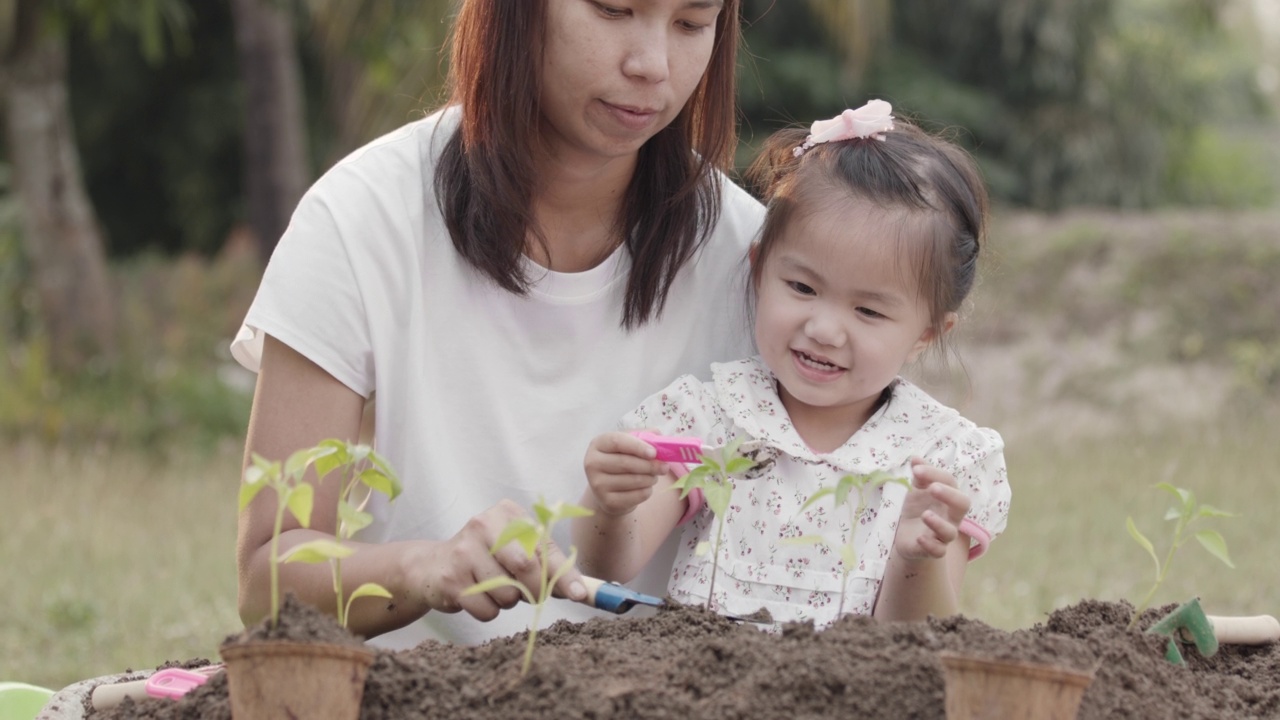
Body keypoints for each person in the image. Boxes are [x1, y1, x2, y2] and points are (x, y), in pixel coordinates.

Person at [229, 0, 763, 649]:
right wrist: (422, 567)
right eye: (614, 9)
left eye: (691, 23)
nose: (652, 65)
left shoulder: (756, 265)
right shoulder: (361, 219)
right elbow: (265, 584)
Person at [573, 100, 1011, 628]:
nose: (824, 329)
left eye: (868, 310)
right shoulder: (711, 419)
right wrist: (611, 505)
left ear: (926, 333)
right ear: (759, 271)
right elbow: (610, 565)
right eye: (802, 287)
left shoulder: (940, 464)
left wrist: (918, 557)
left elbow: (920, 643)